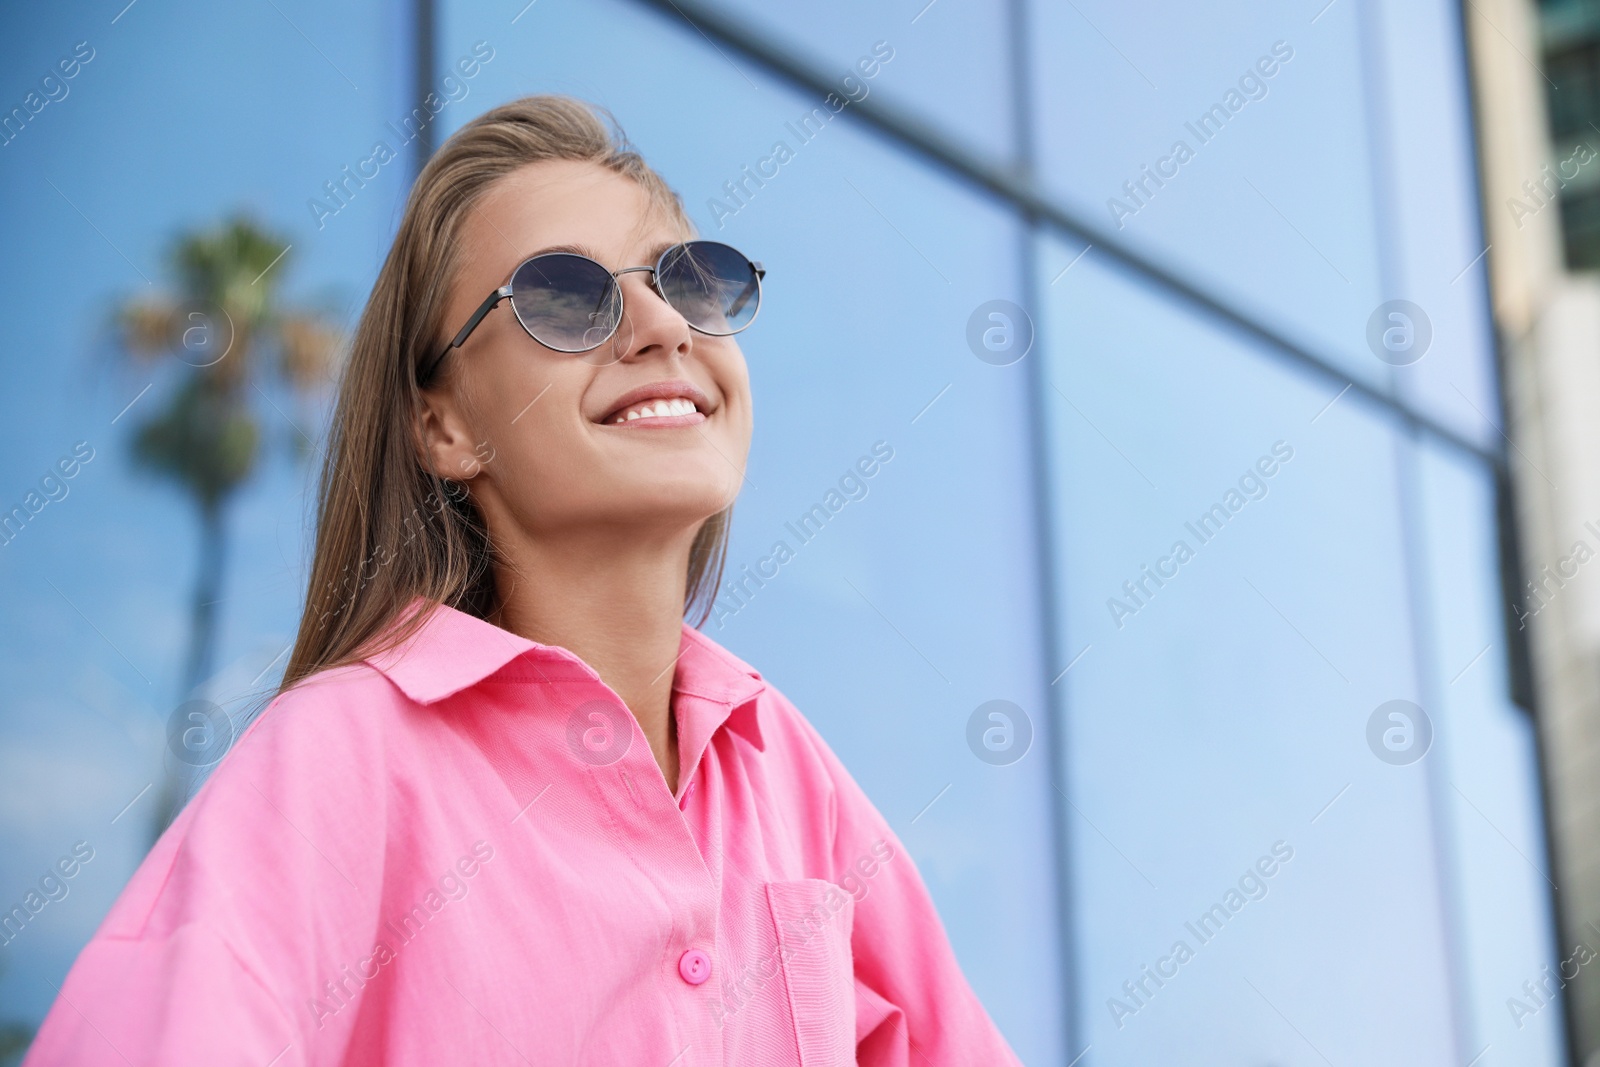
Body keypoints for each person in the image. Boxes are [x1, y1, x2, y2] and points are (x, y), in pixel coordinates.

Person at [25, 94, 1022, 1066]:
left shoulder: (795, 781)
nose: (661, 326)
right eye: (564, 295)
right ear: (445, 426)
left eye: (690, 279)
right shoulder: (340, 759)